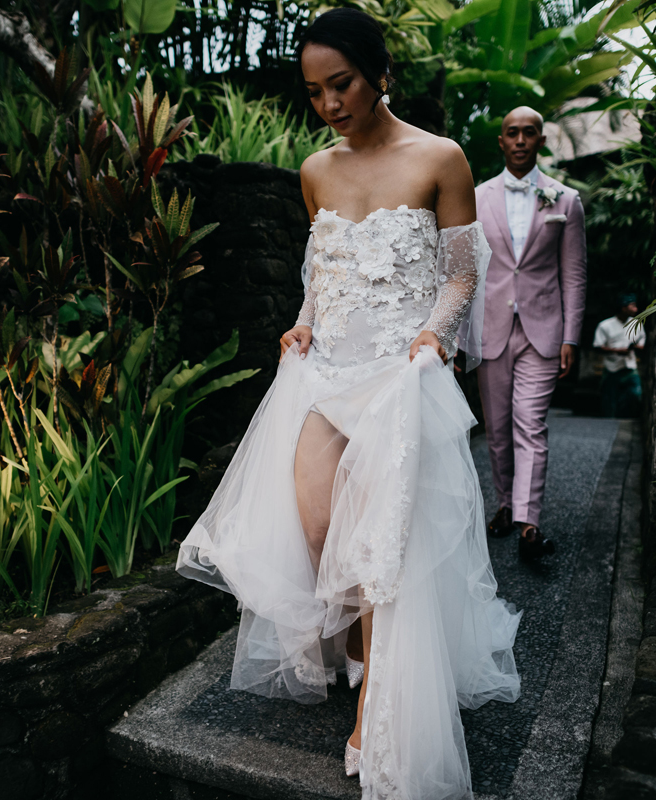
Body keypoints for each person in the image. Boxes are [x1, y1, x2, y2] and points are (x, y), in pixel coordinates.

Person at [176, 9, 521, 798]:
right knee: (318, 524)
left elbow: (462, 275)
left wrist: (434, 337)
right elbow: (321, 274)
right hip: (327, 374)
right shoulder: (313, 171)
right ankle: (356, 651)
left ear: (378, 75)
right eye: (315, 92)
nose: (330, 103)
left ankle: (377, 694)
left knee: (379, 541)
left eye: (343, 84)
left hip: (401, 376)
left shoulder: (441, 158)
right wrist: (298, 327)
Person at [457, 106, 587, 560]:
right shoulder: (474, 197)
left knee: (530, 425)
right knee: (496, 430)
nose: (519, 140)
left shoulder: (565, 200)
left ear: (541, 140)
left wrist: (571, 336)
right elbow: (465, 273)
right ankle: (505, 505)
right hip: (490, 330)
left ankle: (529, 523)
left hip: (543, 330)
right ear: (501, 140)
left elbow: (574, 275)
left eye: (528, 133)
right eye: (511, 132)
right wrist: (457, 337)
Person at [593, 293, 645, 418]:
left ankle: (624, 420)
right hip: (612, 368)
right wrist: (616, 351)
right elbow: (598, 346)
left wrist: (634, 347)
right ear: (623, 307)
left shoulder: (636, 324)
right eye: (632, 306)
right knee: (609, 401)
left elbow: (642, 344)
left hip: (629, 367)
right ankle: (610, 427)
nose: (636, 309)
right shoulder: (605, 325)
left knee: (635, 394)